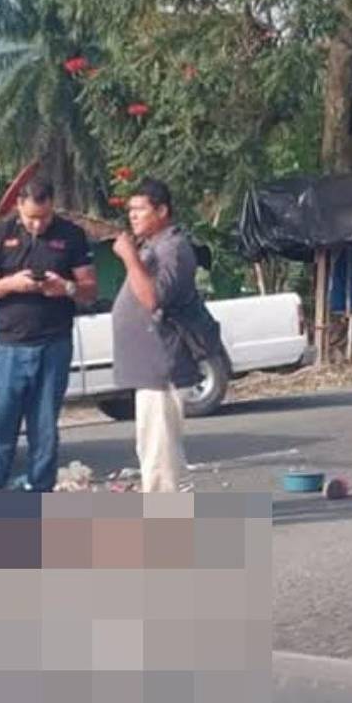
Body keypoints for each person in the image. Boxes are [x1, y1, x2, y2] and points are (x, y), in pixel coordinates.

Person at [0, 176, 97, 491]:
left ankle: (39, 491)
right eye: (31, 218)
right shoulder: (1, 235)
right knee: (0, 424)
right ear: (18, 207)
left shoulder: (71, 235)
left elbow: (90, 291)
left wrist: (64, 287)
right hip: (9, 346)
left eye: (44, 218)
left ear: (52, 206)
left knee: (44, 428)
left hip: (53, 343)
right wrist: (12, 284)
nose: (38, 225)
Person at [111, 178, 201, 493]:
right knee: (155, 450)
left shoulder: (174, 248)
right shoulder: (152, 247)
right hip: (149, 368)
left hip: (165, 366)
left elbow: (152, 299)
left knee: (159, 455)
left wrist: (128, 257)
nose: (133, 216)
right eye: (130, 210)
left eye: (140, 209)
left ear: (162, 211)